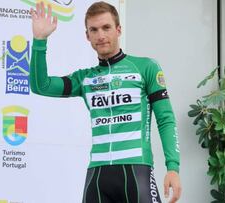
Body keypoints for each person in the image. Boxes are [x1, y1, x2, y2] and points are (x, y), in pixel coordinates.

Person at [30, 1, 181, 203]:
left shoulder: (146, 68)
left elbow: (165, 119)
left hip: (137, 169)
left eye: (106, 27)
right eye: (94, 29)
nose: (100, 35)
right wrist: (40, 40)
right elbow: (42, 85)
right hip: (98, 174)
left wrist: (173, 167)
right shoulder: (84, 79)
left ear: (118, 30)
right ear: (87, 36)